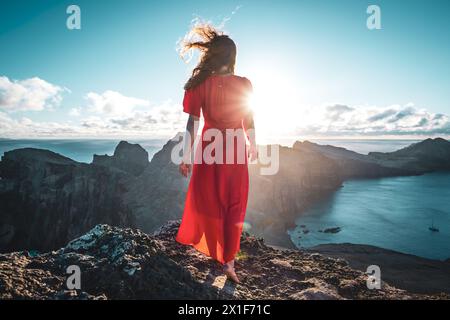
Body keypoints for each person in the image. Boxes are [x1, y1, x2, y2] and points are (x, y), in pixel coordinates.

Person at [175, 24, 257, 284]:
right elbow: (249, 119)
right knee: (234, 204)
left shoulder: (200, 85)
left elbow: (193, 123)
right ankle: (229, 262)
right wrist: (253, 145)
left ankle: (215, 254)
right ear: (232, 58)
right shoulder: (244, 84)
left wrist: (186, 155)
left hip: (209, 149)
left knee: (209, 202)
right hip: (234, 150)